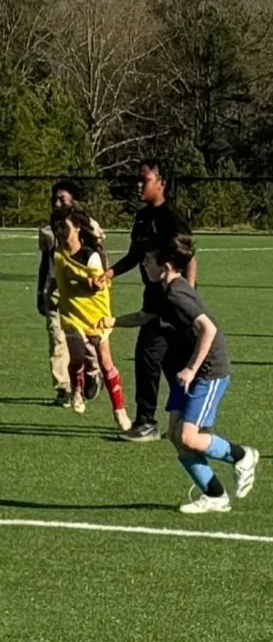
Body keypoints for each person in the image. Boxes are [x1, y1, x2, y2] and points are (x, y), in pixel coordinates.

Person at [101, 235, 258, 513]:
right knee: (175, 435)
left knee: (188, 436)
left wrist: (191, 368)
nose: (144, 264)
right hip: (186, 371)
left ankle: (243, 455)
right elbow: (145, 317)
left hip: (208, 370)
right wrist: (112, 322)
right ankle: (215, 495)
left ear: (164, 265)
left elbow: (208, 329)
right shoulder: (161, 290)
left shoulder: (176, 292)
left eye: (148, 260)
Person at [92, 159, 196, 442]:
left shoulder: (172, 218)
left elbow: (190, 257)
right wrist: (110, 273)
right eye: (137, 180)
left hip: (170, 302)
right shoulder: (141, 217)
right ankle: (187, 416)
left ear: (161, 183)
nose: (139, 185)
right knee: (169, 363)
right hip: (152, 297)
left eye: (145, 180)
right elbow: (135, 254)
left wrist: (186, 296)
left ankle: (147, 422)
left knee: (148, 357)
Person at [50, 206, 131, 430]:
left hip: (95, 313)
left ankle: (120, 410)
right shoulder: (57, 254)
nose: (59, 230)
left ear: (76, 227)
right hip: (71, 313)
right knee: (76, 354)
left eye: (63, 226)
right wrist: (48, 294)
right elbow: (56, 278)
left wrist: (92, 283)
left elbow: (97, 286)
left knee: (105, 361)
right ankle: (76, 392)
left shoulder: (90, 255)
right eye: (56, 226)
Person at [38, 180, 105, 407]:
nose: (57, 203)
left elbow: (98, 256)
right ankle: (63, 388)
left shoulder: (87, 225)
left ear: (73, 201)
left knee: (85, 341)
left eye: (62, 199)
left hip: (82, 294)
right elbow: (44, 263)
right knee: (57, 338)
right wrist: (42, 291)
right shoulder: (47, 231)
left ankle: (92, 372)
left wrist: (100, 283)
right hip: (57, 289)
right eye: (54, 199)